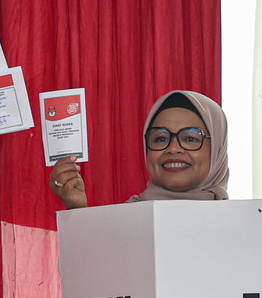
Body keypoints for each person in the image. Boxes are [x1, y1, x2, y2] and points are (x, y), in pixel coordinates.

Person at [49, 89, 228, 209]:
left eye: (190, 138)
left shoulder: (243, 226)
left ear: (217, 150)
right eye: (161, 138)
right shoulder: (124, 222)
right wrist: (77, 211)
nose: (173, 149)